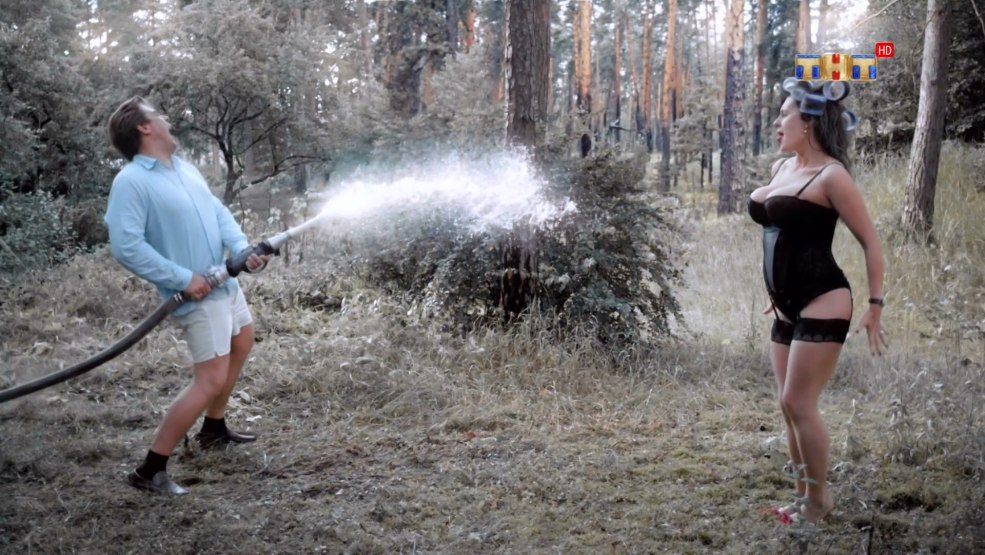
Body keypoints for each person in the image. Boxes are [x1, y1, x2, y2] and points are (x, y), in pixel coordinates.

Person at [104, 96, 270, 495]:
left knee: (242, 340)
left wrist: (241, 249)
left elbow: (217, 211)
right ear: (144, 127)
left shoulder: (184, 169)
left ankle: (213, 429)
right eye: (157, 115)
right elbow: (126, 246)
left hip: (224, 284)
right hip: (197, 295)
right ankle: (150, 469)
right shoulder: (131, 181)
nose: (166, 120)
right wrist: (182, 278)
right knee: (210, 378)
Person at [747, 80, 886, 523]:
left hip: (824, 297)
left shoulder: (832, 175)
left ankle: (820, 500)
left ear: (807, 122)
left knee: (799, 402)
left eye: (784, 114)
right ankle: (802, 496)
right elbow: (780, 234)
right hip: (785, 304)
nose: (776, 122)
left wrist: (875, 305)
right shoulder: (781, 168)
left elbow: (870, 241)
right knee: (787, 405)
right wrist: (777, 291)